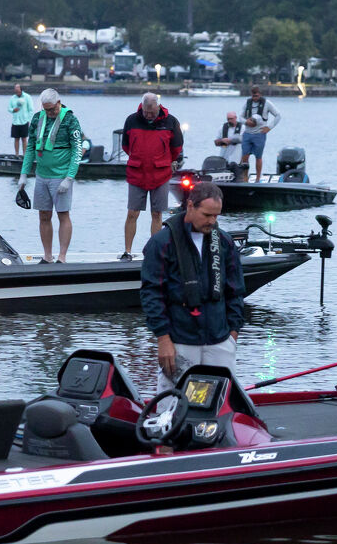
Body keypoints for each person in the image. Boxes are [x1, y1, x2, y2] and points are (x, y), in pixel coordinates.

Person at [140, 179, 245, 379]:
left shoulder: (224, 242)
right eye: (206, 215)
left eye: (216, 216)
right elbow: (151, 293)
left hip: (220, 340)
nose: (212, 221)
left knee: (220, 403)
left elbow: (236, 290)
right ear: (190, 206)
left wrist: (233, 334)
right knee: (172, 403)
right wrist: (163, 339)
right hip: (179, 341)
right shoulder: (161, 242)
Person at [19, 88, 83, 263]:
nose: (50, 113)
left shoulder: (70, 119)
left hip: (60, 176)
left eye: (52, 109)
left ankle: (62, 257)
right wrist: (24, 173)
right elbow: (31, 146)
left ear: (59, 103)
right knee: (44, 216)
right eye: (46, 110)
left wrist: (69, 178)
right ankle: (47, 256)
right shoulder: (37, 119)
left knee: (63, 214)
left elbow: (77, 150)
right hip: (42, 175)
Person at [119, 92, 184, 260]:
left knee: (157, 214)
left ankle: (156, 252)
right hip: (136, 173)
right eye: (146, 112)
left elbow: (176, 148)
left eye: (152, 112)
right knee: (132, 213)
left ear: (159, 107)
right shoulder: (131, 120)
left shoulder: (171, 121)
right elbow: (126, 145)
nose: (149, 115)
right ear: (142, 107)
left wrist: (163, 160)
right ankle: (127, 251)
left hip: (161, 174)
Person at [240, 87, 281, 180]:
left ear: (260, 94)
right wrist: (246, 122)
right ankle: (245, 177)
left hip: (259, 134)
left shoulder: (267, 103)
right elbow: (240, 117)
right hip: (247, 134)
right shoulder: (247, 103)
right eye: (253, 96)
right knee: (244, 157)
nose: (255, 98)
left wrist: (269, 128)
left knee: (258, 157)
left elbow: (278, 115)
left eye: (257, 96)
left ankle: (258, 178)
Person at [5, 84, 31, 155]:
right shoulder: (13, 98)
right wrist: (13, 110)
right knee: (16, 139)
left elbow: (31, 110)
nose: (16, 91)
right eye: (15, 89)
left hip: (24, 121)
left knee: (24, 139)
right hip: (15, 121)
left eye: (18, 89)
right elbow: (9, 108)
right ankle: (16, 154)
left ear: (21, 89)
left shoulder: (27, 97)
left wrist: (28, 119)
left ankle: (24, 154)